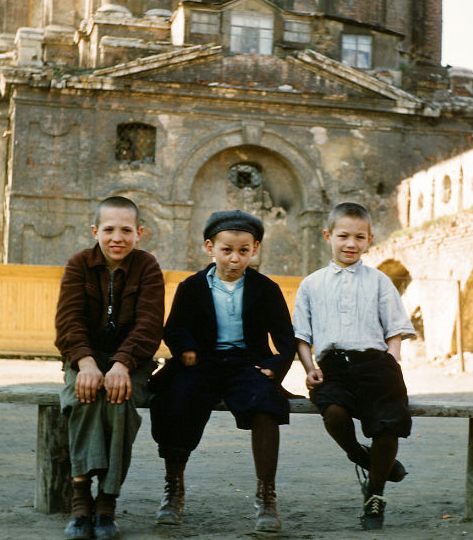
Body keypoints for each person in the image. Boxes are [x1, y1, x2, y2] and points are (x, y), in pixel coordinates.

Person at [148, 210, 296, 533]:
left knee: (266, 403)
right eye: (226, 250)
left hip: (247, 363)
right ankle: (174, 487)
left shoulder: (265, 288)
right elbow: (174, 328)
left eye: (243, 251)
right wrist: (185, 348)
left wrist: (274, 367)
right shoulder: (192, 286)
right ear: (209, 248)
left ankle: (266, 494)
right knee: (176, 398)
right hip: (201, 363)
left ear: (254, 249)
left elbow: (286, 338)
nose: (234, 258)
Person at [293, 202, 416, 530]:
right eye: (343, 235)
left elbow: (395, 328)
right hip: (333, 365)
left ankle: (375, 497)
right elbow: (302, 336)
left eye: (359, 237)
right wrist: (309, 368)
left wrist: (392, 357)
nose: (351, 243)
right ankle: (358, 455)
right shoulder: (311, 284)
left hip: (376, 364)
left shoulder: (378, 281)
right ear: (327, 235)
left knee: (388, 425)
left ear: (370, 239)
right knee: (333, 411)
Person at [54, 196, 165, 540]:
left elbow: (149, 324)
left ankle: (106, 502)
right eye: (109, 229)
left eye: (126, 230)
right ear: (95, 231)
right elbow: (68, 322)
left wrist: (123, 363)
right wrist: (85, 362)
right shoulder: (78, 265)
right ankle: (80, 500)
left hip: (131, 361)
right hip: (84, 357)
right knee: (84, 396)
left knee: (119, 401)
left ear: (140, 233)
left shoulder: (147, 267)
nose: (117, 238)